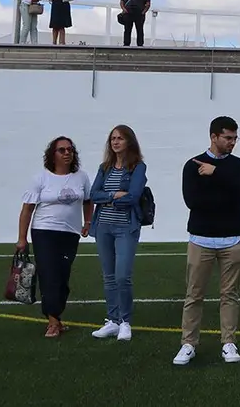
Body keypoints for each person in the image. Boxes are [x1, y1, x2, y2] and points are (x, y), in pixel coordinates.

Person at [174, 116, 240, 366]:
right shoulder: (192, 165)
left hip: (232, 239)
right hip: (201, 239)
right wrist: (223, 190)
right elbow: (193, 201)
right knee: (194, 295)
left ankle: (228, 342)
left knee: (230, 294)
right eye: (228, 138)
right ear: (214, 137)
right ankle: (188, 344)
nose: (232, 142)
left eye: (234, 138)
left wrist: (216, 174)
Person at [18, 136, 93, 337]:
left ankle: (56, 317)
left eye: (70, 150)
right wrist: (22, 239)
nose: (67, 153)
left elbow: (88, 201)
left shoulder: (81, 177)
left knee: (62, 275)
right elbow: (27, 210)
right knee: (49, 274)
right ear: (53, 155)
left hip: (70, 233)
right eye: (62, 150)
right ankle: (52, 321)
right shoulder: (41, 178)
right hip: (44, 231)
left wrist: (88, 222)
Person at [88, 125, 148, 342]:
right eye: (113, 138)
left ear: (129, 142)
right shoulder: (104, 168)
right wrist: (114, 194)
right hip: (103, 227)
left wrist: (108, 196)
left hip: (126, 228)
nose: (115, 142)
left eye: (120, 138)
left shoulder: (138, 167)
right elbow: (93, 195)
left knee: (123, 276)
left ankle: (125, 322)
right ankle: (112, 321)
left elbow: (133, 196)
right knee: (109, 277)